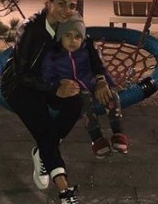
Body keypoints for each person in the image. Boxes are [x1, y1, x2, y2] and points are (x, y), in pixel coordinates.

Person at [0, 0, 108, 204]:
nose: (67, 10)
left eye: (72, 5)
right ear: (48, 3)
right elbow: (21, 74)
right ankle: (65, 193)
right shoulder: (30, 29)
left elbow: (90, 49)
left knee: (75, 103)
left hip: (49, 81)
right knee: (46, 130)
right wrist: (54, 89)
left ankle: (42, 153)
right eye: (61, 3)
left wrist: (100, 79)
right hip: (20, 87)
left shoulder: (69, 22)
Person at [41, 14, 129, 159]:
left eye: (78, 37)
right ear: (60, 36)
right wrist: (58, 84)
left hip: (92, 82)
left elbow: (100, 67)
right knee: (84, 101)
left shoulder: (88, 48)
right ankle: (97, 138)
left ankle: (118, 132)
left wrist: (106, 83)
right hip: (73, 89)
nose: (73, 41)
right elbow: (46, 75)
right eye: (68, 35)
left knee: (111, 95)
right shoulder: (53, 54)